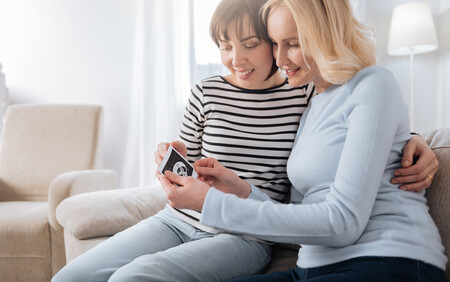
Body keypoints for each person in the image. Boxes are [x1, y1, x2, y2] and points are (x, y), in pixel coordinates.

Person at [52, 0, 438, 281]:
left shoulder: (304, 92)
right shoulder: (300, 93)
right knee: (70, 278)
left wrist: (417, 140)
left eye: (253, 44)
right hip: (194, 221)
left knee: (133, 278)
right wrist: (189, 170)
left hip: (259, 237)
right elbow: (348, 132)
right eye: (225, 46)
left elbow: (368, 126)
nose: (237, 59)